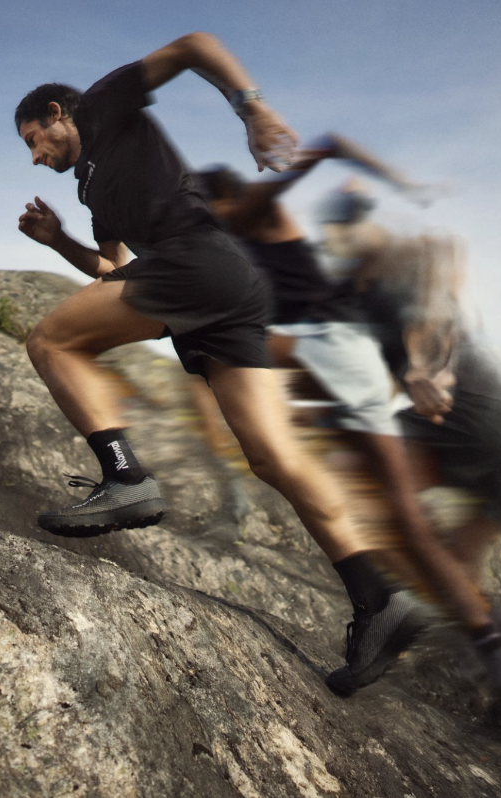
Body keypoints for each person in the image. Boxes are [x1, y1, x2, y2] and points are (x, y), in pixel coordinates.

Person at [14, 32, 418, 688]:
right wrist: (58, 240)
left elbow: (194, 47)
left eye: (34, 139)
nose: (35, 157)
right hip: (217, 287)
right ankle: (380, 601)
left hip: (197, 263)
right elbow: (113, 271)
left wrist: (253, 109)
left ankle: (125, 476)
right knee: (274, 458)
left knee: (49, 342)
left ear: (57, 114)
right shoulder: (91, 189)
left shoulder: (103, 103)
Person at [194, 137, 445, 695]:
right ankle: (388, 603)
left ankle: (394, 603)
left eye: (205, 209)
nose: (202, 222)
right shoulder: (239, 232)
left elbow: (329, 143)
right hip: (337, 351)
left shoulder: (252, 208)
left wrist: (400, 181)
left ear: (223, 199)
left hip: (328, 342)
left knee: (227, 357)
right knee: (378, 491)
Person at [317, 182, 501, 735]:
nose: (349, 236)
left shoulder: (406, 257)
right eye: (343, 227)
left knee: (363, 481)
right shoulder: (354, 295)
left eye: (355, 223)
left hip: (471, 406)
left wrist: (427, 363)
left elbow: (439, 266)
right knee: (460, 566)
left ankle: (390, 615)